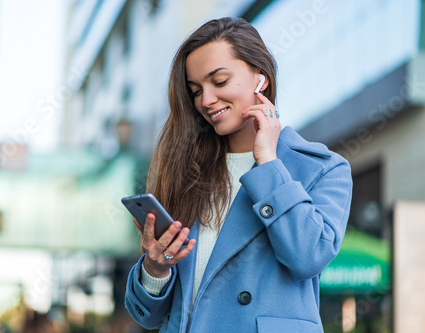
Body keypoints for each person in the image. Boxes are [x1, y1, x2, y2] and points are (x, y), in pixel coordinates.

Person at [124, 17, 352, 332]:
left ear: (261, 78)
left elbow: (308, 257)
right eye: (195, 90)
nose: (205, 101)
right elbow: (147, 316)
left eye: (219, 82)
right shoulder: (187, 170)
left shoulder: (322, 168)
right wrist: (155, 268)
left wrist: (268, 162)